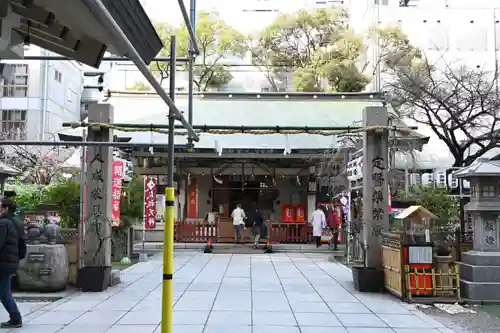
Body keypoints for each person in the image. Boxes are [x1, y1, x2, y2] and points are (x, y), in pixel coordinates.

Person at [0, 198, 24, 328]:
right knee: (4, 290)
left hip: (4, 262)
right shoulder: (17, 222)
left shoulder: (4, 223)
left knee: (4, 292)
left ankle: (16, 318)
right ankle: (15, 317)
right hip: (11, 260)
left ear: (5, 208)